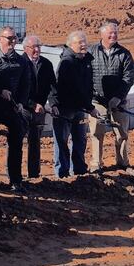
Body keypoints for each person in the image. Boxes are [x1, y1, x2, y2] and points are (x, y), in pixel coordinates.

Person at [0, 26, 32, 193]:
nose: (12, 41)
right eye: (9, 38)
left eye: (15, 38)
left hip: (12, 109)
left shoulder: (22, 61)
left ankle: (15, 180)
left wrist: (21, 103)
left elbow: (26, 84)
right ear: (0, 39)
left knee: (16, 144)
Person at [50, 31, 100, 178]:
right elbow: (74, 88)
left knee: (80, 140)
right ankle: (62, 174)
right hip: (65, 109)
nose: (84, 45)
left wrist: (88, 104)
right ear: (71, 45)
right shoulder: (67, 62)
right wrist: (90, 107)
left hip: (81, 108)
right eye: (80, 42)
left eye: (85, 41)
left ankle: (79, 170)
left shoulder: (85, 61)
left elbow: (87, 85)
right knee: (62, 142)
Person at [88, 22, 134, 174]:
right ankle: (96, 163)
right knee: (97, 131)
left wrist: (118, 97)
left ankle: (122, 163)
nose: (113, 36)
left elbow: (129, 77)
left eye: (115, 33)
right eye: (110, 33)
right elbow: (85, 75)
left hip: (118, 101)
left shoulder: (124, 53)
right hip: (97, 100)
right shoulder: (91, 52)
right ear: (101, 35)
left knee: (121, 133)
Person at [22, 35, 56, 179]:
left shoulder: (46, 64)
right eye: (33, 47)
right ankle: (15, 175)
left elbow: (52, 87)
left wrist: (53, 104)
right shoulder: (20, 63)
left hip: (39, 110)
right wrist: (31, 104)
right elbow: (18, 89)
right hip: (22, 109)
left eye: (38, 47)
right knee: (16, 142)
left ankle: (34, 174)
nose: (36, 50)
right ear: (25, 49)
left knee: (35, 143)